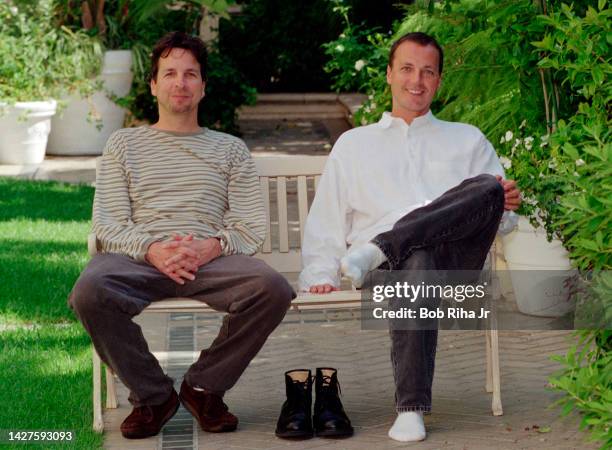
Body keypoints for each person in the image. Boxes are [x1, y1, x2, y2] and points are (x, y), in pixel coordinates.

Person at [68, 31, 295, 440]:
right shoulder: (123, 144)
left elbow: (249, 226)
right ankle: (154, 397)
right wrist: (153, 250)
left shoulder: (229, 149)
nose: (180, 82)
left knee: (273, 288)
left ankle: (204, 388)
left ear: (203, 86)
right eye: (170, 73)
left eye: (190, 74)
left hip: (210, 260)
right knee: (90, 290)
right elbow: (109, 223)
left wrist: (210, 248)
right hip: (137, 259)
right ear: (154, 84)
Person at [298, 32, 521, 442]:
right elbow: (326, 219)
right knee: (416, 260)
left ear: (438, 81)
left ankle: (380, 246)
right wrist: (320, 272)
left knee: (489, 185)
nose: (416, 80)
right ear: (388, 74)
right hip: (393, 276)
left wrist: (503, 205)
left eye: (427, 71)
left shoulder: (467, 138)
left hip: (455, 265)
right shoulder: (354, 144)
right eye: (406, 68)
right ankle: (411, 409)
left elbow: (502, 225)